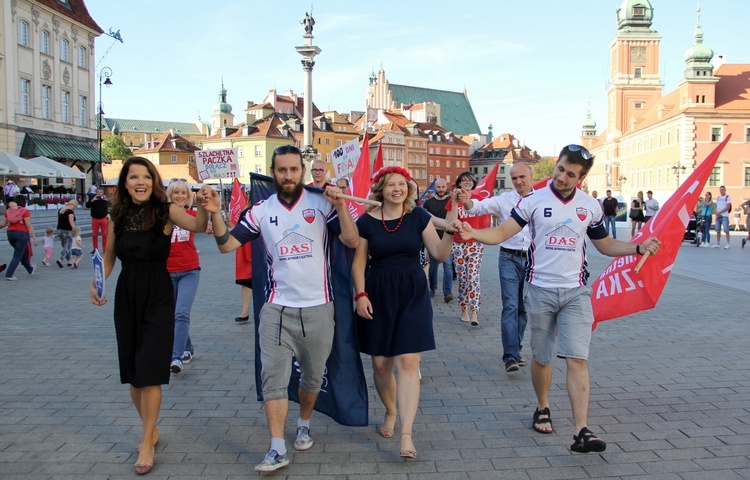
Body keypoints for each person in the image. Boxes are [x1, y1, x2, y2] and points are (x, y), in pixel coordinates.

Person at [457, 144, 661, 454]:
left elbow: (604, 245)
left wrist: (638, 247)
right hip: (539, 290)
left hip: (576, 293)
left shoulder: (589, 206)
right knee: (542, 356)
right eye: (561, 169)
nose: (562, 177)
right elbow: (500, 234)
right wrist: (474, 233)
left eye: (571, 174)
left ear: (581, 177)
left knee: (577, 357)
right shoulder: (534, 201)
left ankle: (581, 430)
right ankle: (542, 406)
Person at [203, 145, 359, 472]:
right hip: (276, 309)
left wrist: (341, 206)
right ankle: (276, 447)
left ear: (301, 171)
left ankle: (304, 422)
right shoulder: (261, 209)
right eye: (281, 170)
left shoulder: (320, 204)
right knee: (272, 378)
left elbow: (351, 240)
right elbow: (226, 245)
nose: (287, 175)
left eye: (293, 169)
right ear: (272, 173)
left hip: (319, 307)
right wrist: (216, 213)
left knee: (313, 379)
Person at [89, 157, 210, 475]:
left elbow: (198, 226)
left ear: (153, 180)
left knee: (150, 371)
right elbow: (110, 255)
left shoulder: (165, 210)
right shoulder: (119, 214)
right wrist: (98, 281)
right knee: (133, 373)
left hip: (158, 294)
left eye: (145, 176)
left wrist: (208, 204)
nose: (139, 182)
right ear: (125, 183)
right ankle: (150, 427)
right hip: (127, 295)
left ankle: (146, 441)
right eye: (133, 177)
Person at [353, 166, 456, 460]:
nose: (397, 189)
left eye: (402, 184)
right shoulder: (366, 222)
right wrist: (360, 295)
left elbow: (439, 254)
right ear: (380, 190)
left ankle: (406, 434)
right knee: (382, 365)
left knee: (409, 361)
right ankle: (390, 410)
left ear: (409, 188)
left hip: (412, 292)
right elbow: (359, 264)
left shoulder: (419, 217)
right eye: (391, 185)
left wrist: (449, 232)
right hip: (378, 292)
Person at [459, 162, 533, 372]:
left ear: (530, 175)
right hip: (508, 257)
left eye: (522, 177)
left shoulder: (540, 199)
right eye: (515, 178)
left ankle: (516, 348)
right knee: (510, 305)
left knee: (523, 308)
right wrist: (467, 202)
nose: (518, 181)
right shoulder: (505, 199)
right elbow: (479, 206)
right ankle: (510, 356)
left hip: (532, 259)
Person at [166, 180, 202, 374]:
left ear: (188, 196)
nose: (179, 196)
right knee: (173, 314)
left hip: (189, 270)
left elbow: (208, 226)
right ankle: (187, 348)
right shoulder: (162, 216)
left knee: (181, 313)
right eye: (175, 193)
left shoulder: (192, 215)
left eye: (183, 193)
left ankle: (176, 356)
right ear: (169, 195)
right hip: (167, 272)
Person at [453, 172, 487, 326]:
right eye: (463, 180)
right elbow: (450, 219)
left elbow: (486, 219)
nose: (466, 182)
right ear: (459, 183)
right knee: (461, 278)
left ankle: (474, 312)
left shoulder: (479, 200)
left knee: (473, 277)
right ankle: (463, 309)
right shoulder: (454, 200)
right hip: (458, 243)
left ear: (473, 183)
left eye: (469, 180)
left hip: (475, 243)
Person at [422, 178, 454, 302]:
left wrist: (441, 225)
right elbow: (426, 222)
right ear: (435, 187)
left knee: (448, 266)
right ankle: (432, 288)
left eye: (443, 187)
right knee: (433, 266)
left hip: (447, 238)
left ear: (446, 187)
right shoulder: (428, 203)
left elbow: (451, 221)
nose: (441, 190)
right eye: (438, 187)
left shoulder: (451, 202)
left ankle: (448, 292)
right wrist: (443, 225)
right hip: (431, 238)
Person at [0, 195, 37, 280]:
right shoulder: (25, 211)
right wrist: (34, 238)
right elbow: (28, 225)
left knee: (21, 253)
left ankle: (30, 269)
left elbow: (3, 224)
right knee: (17, 255)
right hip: (22, 234)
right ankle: (9, 274)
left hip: (10, 233)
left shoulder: (8, 211)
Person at [86, 188, 109, 253]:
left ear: (102, 193)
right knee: (94, 235)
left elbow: (110, 205)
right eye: (98, 192)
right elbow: (87, 205)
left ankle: (105, 249)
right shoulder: (93, 199)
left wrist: (106, 200)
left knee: (104, 235)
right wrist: (93, 200)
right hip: (95, 219)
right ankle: (95, 248)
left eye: (100, 192)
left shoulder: (104, 200)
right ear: (96, 193)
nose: (99, 194)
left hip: (103, 218)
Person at [55, 199, 77, 268]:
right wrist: (75, 229)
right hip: (67, 230)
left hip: (59, 229)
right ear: (72, 205)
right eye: (75, 207)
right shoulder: (70, 211)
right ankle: (60, 259)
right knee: (68, 246)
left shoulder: (61, 210)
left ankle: (69, 261)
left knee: (65, 246)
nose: (75, 208)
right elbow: (71, 222)